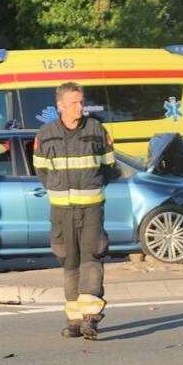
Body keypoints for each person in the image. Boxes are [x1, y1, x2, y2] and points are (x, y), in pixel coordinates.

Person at [33, 82, 118, 340]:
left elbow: (109, 167)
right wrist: (58, 190)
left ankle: (90, 318)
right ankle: (74, 320)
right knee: (69, 263)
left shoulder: (96, 130)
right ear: (60, 106)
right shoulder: (45, 134)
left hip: (91, 208)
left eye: (81, 102)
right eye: (73, 103)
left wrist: (91, 186)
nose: (79, 107)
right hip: (61, 212)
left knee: (91, 259)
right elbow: (41, 171)